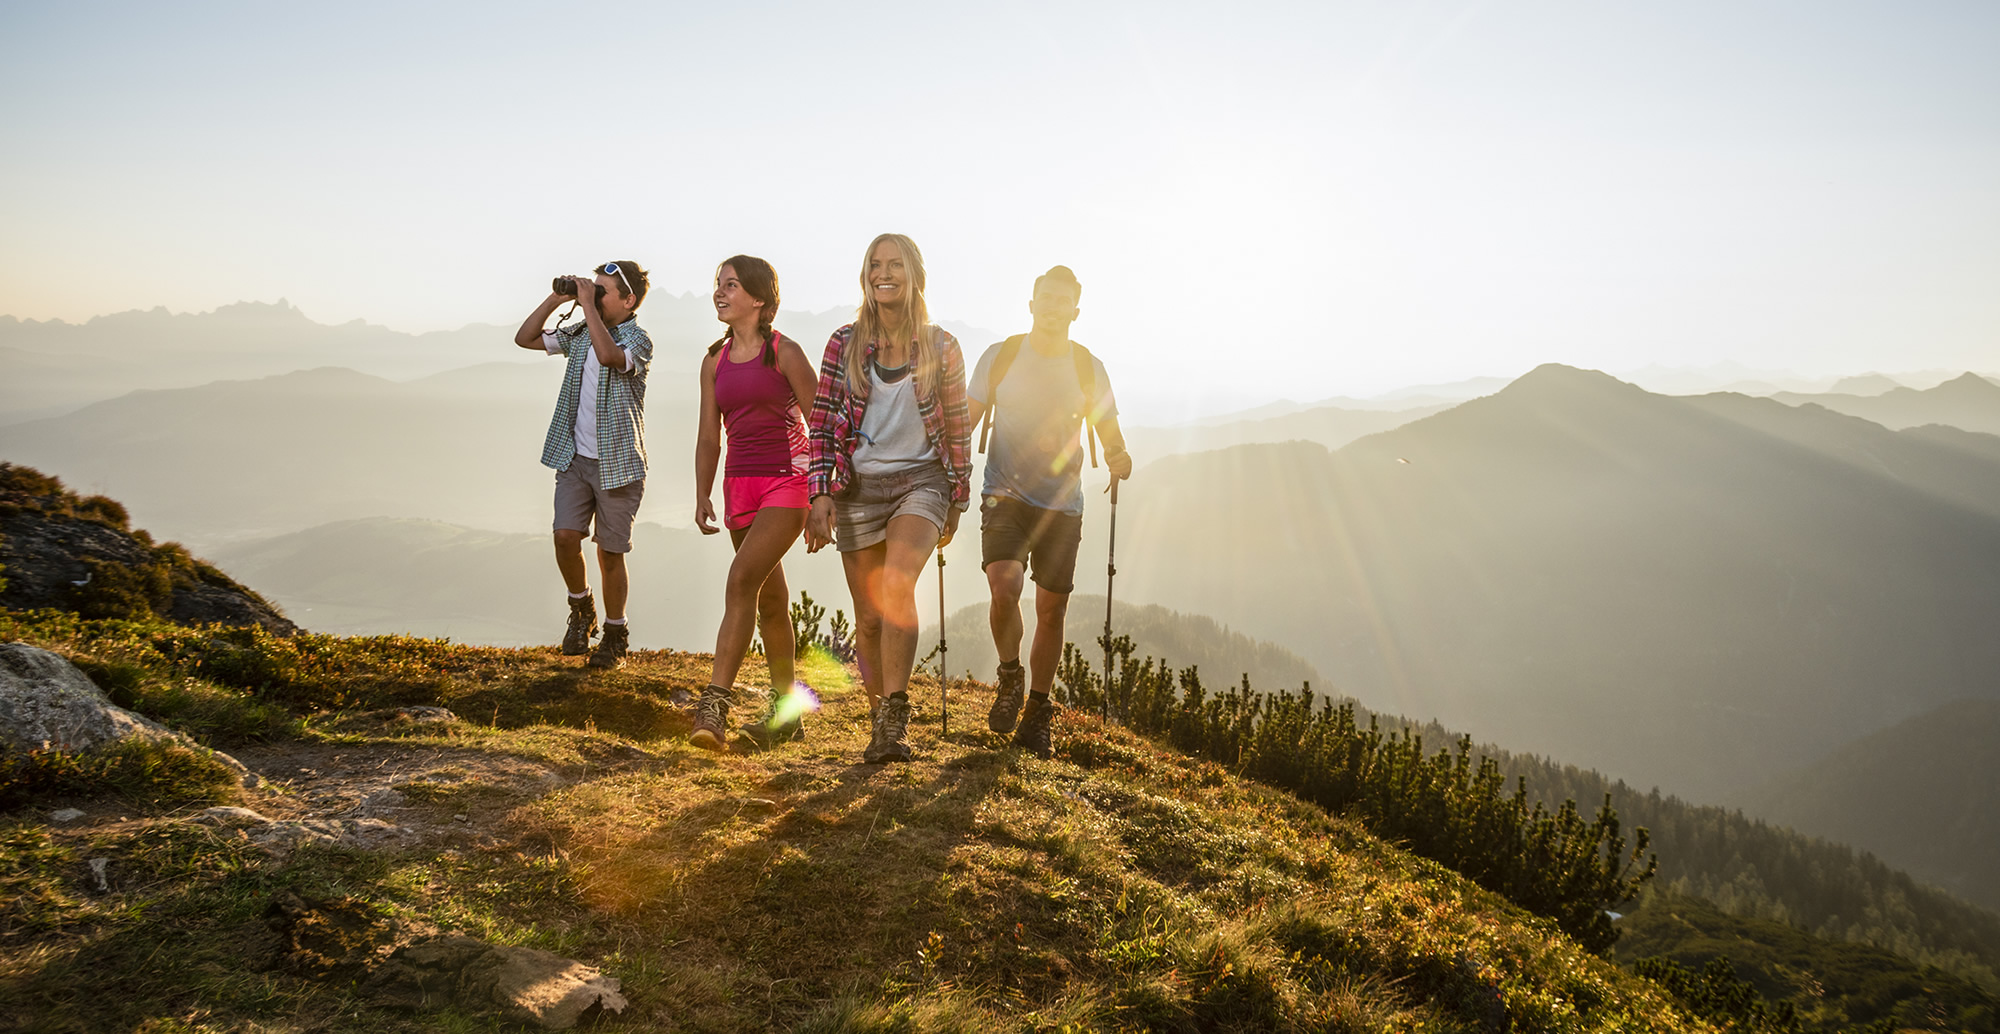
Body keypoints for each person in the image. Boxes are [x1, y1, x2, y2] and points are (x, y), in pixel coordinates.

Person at [804, 233, 972, 763]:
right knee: (870, 616)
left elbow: (959, 425)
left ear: (914, 274)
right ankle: (880, 726)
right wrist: (821, 494)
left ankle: (896, 718)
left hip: (922, 482)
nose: (884, 273)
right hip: (857, 489)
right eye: (875, 265)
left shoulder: (942, 346)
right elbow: (824, 425)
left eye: (895, 264)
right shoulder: (844, 343)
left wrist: (957, 497)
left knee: (897, 585)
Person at [965, 265, 1131, 758]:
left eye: (1064, 301)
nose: (1054, 307)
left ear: (1075, 311)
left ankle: (1037, 712)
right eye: (1046, 298)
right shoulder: (1000, 357)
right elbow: (965, 421)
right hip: (1004, 494)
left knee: (1051, 610)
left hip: (1063, 505)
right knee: (1005, 586)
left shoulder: (1088, 366)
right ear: (1032, 303)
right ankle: (1011, 674)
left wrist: (1120, 456)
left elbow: (1110, 431)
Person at [690, 256, 818, 750]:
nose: (719, 293)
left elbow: (819, 424)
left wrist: (823, 494)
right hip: (738, 486)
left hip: (788, 482)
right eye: (718, 285)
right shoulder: (713, 362)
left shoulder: (785, 353)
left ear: (759, 299)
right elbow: (708, 436)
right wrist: (702, 490)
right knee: (770, 599)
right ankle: (787, 715)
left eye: (731, 286)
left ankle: (713, 708)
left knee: (741, 579)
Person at [513, 261, 654, 669]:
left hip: (618, 465)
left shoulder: (638, 339)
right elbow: (525, 339)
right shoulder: (577, 334)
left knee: (611, 553)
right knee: (564, 537)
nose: (593, 295)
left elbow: (610, 356)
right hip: (574, 457)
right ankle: (581, 608)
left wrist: (586, 305)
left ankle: (615, 634)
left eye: (603, 292)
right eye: (593, 288)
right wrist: (560, 297)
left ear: (627, 301)